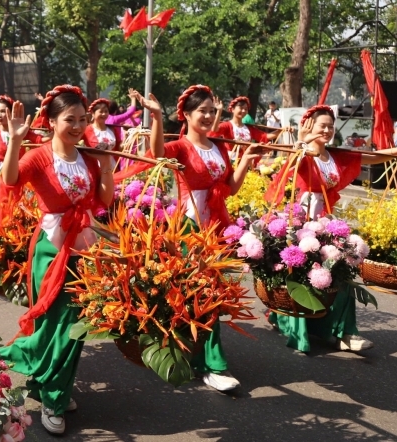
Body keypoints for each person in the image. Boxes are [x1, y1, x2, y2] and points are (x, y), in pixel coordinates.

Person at [0, 85, 114, 435]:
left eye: (82, 119)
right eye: (69, 120)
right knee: (55, 325)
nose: (77, 126)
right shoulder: (39, 157)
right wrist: (16, 140)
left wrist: (106, 167)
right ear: (51, 122)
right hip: (51, 251)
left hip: (85, 248)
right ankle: (52, 395)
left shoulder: (88, 158)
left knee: (75, 327)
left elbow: (104, 200)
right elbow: (10, 180)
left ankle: (53, 388)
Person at [140, 85, 262, 392]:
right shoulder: (181, 147)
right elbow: (157, 154)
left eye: (211, 111)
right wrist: (157, 117)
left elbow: (230, 188)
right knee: (202, 294)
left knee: (210, 295)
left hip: (216, 226)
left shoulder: (219, 146)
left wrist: (246, 160)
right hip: (189, 227)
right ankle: (212, 365)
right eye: (201, 111)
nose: (208, 116)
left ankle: (200, 360)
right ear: (186, 115)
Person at [265, 104, 397, 353]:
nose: (326, 130)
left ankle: (345, 332)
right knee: (303, 274)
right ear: (309, 126)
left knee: (339, 272)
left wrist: (394, 152)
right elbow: (290, 167)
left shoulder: (335, 156)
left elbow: (371, 157)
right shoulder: (303, 152)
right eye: (322, 126)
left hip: (327, 221)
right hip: (302, 219)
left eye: (330, 126)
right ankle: (293, 325)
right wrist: (302, 142)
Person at [212, 96, 284, 160]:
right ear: (233, 109)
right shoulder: (227, 125)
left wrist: (283, 130)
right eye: (241, 108)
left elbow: (266, 136)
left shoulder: (249, 128)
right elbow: (214, 130)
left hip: (247, 161)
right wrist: (219, 111)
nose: (243, 111)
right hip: (231, 160)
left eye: (246, 109)